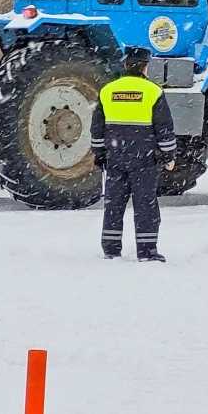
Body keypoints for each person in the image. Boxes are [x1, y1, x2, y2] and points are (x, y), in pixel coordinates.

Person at [90, 48, 176, 262]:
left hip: (115, 158)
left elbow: (97, 128)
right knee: (145, 205)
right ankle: (147, 251)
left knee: (113, 205)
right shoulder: (153, 91)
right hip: (144, 160)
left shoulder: (107, 91)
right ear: (145, 66)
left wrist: (100, 154)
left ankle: (110, 249)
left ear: (126, 64)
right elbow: (164, 128)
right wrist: (168, 155)